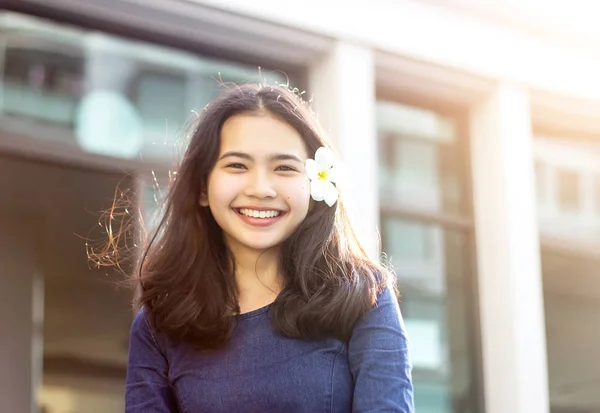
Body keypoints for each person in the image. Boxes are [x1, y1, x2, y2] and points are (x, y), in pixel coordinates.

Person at [125, 83, 414, 412]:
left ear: (316, 185)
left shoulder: (364, 298)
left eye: (284, 168)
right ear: (202, 187)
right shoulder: (160, 325)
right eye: (237, 165)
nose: (261, 189)